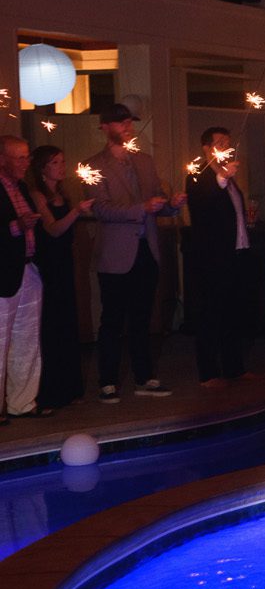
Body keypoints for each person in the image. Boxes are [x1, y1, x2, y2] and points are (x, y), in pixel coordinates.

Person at [88, 103, 185, 403]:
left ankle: (144, 377)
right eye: (120, 123)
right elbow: (100, 209)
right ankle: (107, 381)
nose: (127, 127)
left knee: (143, 318)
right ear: (105, 127)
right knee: (113, 319)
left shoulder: (144, 161)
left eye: (129, 122)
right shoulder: (93, 165)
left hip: (147, 250)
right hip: (116, 255)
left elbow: (157, 199)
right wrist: (140, 209)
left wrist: (172, 204)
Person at [184, 127, 255, 388]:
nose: (226, 145)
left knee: (231, 313)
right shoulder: (197, 174)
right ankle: (208, 373)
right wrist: (222, 179)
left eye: (228, 141)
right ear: (206, 148)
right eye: (220, 142)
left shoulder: (230, 176)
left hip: (234, 252)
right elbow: (201, 203)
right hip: (211, 256)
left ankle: (234, 367)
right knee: (209, 314)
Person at [27, 145, 94, 412]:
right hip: (48, 265)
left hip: (65, 263)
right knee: (51, 327)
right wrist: (77, 212)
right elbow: (53, 230)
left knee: (67, 322)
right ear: (43, 168)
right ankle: (50, 393)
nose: (61, 166)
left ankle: (70, 388)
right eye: (55, 162)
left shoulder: (62, 192)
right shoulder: (36, 195)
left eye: (62, 161)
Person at [0, 136, 43, 422]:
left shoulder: (22, 187)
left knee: (27, 339)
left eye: (27, 157)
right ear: (2, 159)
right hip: (3, 272)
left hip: (27, 269)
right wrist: (18, 225)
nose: (26, 163)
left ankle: (22, 403)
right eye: (20, 158)